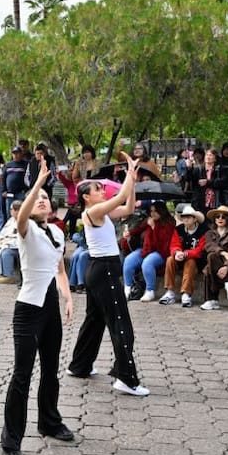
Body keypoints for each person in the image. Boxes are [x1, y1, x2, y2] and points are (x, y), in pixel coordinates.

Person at [0, 163, 79, 455]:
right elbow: (21, 215)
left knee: (50, 369)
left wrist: (68, 297)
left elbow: (59, 268)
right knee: (22, 375)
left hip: (50, 309)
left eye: (47, 196)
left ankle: (49, 421)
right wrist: (38, 184)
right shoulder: (26, 230)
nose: (43, 199)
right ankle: (11, 442)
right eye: (38, 198)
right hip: (28, 309)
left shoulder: (57, 233)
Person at [66, 166, 147, 394]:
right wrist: (130, 177)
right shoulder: (93, 212)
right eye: (98, 189)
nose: (102, 191)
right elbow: (120, 196)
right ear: (86, 197)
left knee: (95, 320)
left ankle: (80, 365)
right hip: (104, 270)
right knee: (120, 322)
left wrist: (130, 187)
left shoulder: (100, 212)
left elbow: (128, 206)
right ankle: (126, 378)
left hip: (99, 269)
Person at [121, 202, 177, 303]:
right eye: (151, 211)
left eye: (155, 211)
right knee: (129, 260)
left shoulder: (169, 223)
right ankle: (127, 288)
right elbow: (138, 229)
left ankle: (150, 290)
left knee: (148, 262)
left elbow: (161, 244)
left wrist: (153, 228)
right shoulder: (149, 220)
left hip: (160, 252)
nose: (153, 213)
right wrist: (129, 233)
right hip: (146, 249)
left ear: (162, 211)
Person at [200, 205, 228, 310]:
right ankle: (227, 283)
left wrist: (226, 266)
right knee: (211, 258)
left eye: (223, 217)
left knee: (208, 268)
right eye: (217, 217)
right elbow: (209, 246)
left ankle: (212, 299)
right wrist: (223, 253)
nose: (220, 219)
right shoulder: (210, 233)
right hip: (218, 262)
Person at [160, 204, 206, 308]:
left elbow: (200, 249)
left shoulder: (203, 231)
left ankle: (186, 294)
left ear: (195, 219)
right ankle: (169, 292)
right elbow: (174, 244)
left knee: (190, 262)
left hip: (196, 261)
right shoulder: (179, 229)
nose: (185, 219)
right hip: (180, 257)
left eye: (188, 217)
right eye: (184, 217)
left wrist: (186, 254)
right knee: (170, 260)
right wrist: (177, 252)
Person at [0, 202, 23, 284]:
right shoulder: (11, 220)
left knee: (6, 252)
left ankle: (7, 276)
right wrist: (0, 240)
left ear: (17, 211)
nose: (10, 211)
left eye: (12, 209)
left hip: (16, 245)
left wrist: (8, 240)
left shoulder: (24, 221)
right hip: (6, 241)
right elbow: (3, 233)